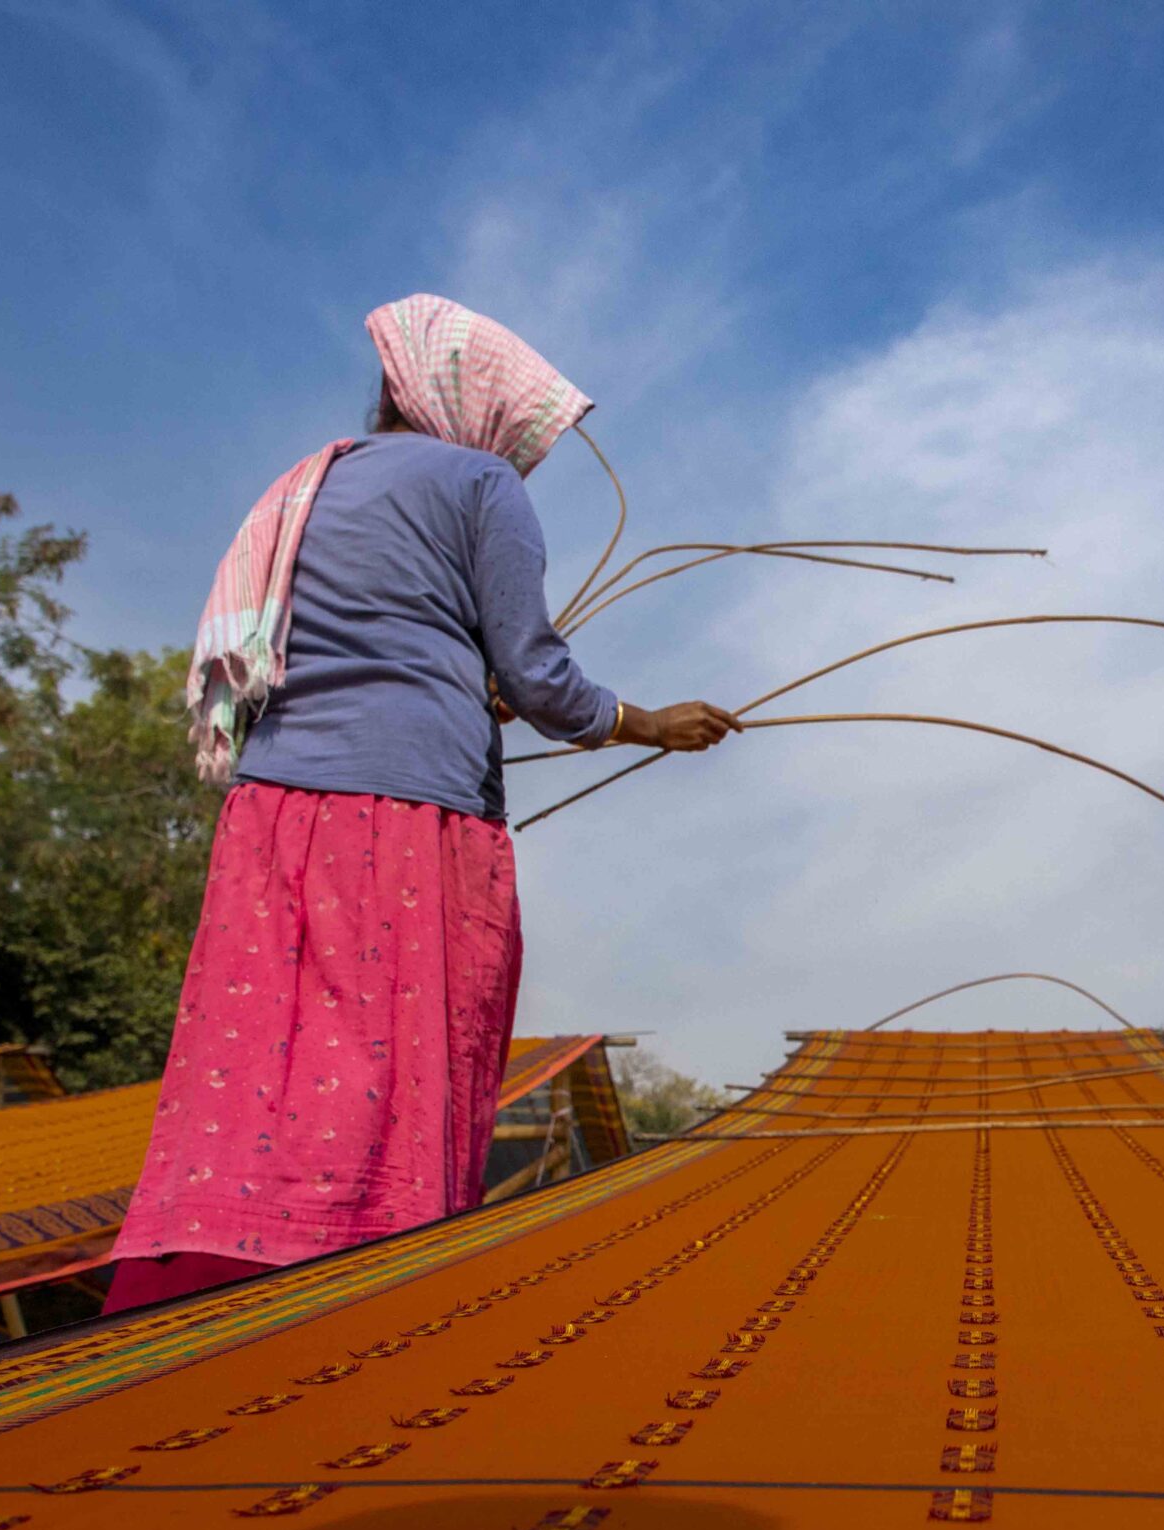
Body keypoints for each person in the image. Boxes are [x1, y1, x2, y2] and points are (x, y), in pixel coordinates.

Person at [102, 293, 739, 1312]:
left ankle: (186, 1283)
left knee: (256, 1059)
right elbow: (537, 679)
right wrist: (645, 722)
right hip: (404, 825)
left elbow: (372, 638)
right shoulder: (482, 486)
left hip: (270, 816)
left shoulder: (309, 486)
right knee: (389, 1064)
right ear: (475, 407)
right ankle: (373, 1291)